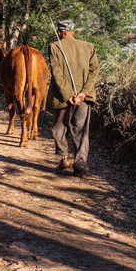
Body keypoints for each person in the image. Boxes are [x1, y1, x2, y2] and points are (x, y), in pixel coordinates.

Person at [48, 19, 100, 177]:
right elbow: (94, 71)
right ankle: (80, 165)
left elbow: (56, 74)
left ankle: (64, 156)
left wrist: (68, 95)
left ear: (59, 33)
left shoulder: (54, 46)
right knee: (81, 130)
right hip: (83, 98)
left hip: (61, 97)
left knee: (59, 128)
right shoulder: (88, 46)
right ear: (73, 32)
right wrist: (83, 93)